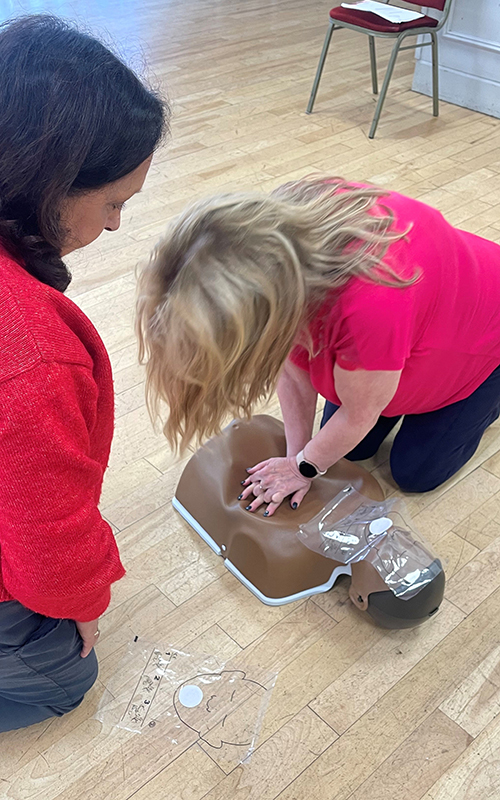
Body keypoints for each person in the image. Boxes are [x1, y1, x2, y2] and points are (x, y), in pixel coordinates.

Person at [136, 176, 500, 518]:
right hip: (411, 325)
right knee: (349, 451)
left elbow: (358, 414)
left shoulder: (370, 306)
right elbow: (293, 371)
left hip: (481, 341)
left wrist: (303, 468)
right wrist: (298, 458)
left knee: (414, 473)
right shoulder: (276, 251)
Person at [0, 15, 168, 732]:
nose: (117, 226)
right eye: (113, 205)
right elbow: (47, 532)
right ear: (52, 181)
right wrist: (84, 607)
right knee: (69, 676)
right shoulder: (34, 351)